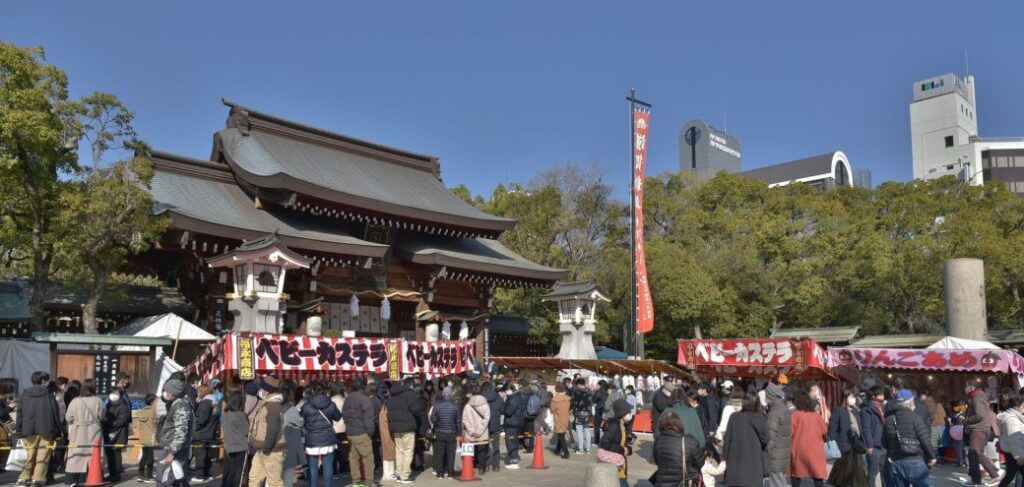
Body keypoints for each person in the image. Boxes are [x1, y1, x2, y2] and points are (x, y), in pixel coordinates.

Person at [15, 370, 61, 487]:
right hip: (46, 429)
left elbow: (19, 413)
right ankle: (38, 479)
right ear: (43, 380)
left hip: (28, 429)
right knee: (43, 455)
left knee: (29, 455)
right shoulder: (49, 394)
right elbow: (55, 412)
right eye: (47, 379)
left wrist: (19, 430)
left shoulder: (24, 393)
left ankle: (23, 478)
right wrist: (57, 431)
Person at [883, 389, 937, 487]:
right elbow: (925, 440)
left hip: (896, 462)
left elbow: (884, 442)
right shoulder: (916, 418)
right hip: (915, 461)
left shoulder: (889, 420)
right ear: (910, 402)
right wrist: (932, 457)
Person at [721, 392, 768, 487]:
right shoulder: (761, 418)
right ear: (757, 403)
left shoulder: (734, 417)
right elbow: (765, 440)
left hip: (735, 464)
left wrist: (723, 459)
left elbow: (727, 440)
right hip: (754, 464)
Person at [301, 382, 343, 487]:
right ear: (325, 391)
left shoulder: (306, 406)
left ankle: (313, 485)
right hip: (328, 438)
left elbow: (301, 420)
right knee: (328, 464)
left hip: (312, 439)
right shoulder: (331, 404)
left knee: (312, 465)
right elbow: (337, 417)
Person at [247, 375, 286, 487]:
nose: (260, 390)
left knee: (275, 482)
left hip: (271, 451)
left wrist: (266, 448)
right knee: (254, 478)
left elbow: (273, 430)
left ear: (267, 391)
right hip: (262, 449)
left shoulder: (273, 406)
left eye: (262, 388)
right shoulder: (267, 403)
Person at [64, 379, 104, 486]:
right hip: (94, 430)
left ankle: (73, 480)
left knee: (76, 455)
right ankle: (92, 478)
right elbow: (103, 416)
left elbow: (68, 417)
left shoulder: (75, 401)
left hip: (78, 431)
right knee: (93, 455)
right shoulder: (98, 401)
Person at [156, 378, 195, 487]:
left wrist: (172, 453)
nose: (165, 394)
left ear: (174, 393)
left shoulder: (180, 407)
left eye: (167, 392)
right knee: (176, 479)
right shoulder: (176, 403)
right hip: (172, 445)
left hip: (173, 448)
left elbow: (180, 432)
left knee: (165, 479)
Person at [827, 386, 868, 487]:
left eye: (854, 396)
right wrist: (835, 446)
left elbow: (860, 427)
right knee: (842, 479)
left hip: (856, 447)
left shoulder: (855, 411)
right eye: (851, 396)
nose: (853, 399)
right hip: (843, 450)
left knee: (857, 479)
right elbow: (832, 430)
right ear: (845, 397)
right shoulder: (838, 410)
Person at [651, 411, 703, 487]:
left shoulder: (658, 440)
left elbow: (657, 461)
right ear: (679, 424)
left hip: (661, 482)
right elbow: (700, 463)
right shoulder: (689, 441)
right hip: (683, 482)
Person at [966, 383, 1003, 486]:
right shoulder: (977, 396)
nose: (965, 389)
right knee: (974, 454)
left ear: (972, 387)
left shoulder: (977, 397)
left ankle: (995, 473)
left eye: (967, 386)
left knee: (975, 453)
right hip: (979, 429)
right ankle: (975, 479)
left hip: (979, 429)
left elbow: (980, 414)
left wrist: (967, 421)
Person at [343, 376, 377, 487]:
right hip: (362, 433)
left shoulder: (348, 398)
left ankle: (356, 481)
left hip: (351, 432)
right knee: (368, 458)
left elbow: (345, 416)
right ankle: (369, 482)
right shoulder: (365, 399)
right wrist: (370, 432)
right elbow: (369, 418)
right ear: (364, 385)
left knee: (353, 458)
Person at [387, 376, 422, 484]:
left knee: (399, 451)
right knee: (408, 451)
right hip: (407, 427)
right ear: (410, 385)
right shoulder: (410, 394)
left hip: (396, 428)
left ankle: (399, 473)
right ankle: (405, 475)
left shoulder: (392, 394)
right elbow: (416, 409)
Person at [599, 398, 632, 487]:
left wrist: (628, 449)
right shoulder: (614, 425)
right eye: (628, 412)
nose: (630, 414)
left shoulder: (622, 425)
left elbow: (621, 443)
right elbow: (605, 444)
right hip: (615, 469)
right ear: (622, 413)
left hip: (620, 467)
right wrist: (623, 449)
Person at [430, 387, 461, 479]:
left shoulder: (437, 405)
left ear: (443, 394)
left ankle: (440, 473)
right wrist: (458, 433)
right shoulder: (455, 406)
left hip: (439, 432)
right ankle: (450, 473)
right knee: (451, 453)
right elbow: (458, 421)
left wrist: (438, 422)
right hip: (451, 432)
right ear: (451, 394)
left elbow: (433, 418)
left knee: (440, 453)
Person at [995, 389, 1024, 487]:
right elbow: (1015, 440)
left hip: (1011, 451)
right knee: (1017, 474)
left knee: (1010, 474)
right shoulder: (1012, 419)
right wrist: (1020, 456)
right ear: (1017, 407)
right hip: (1015, 452)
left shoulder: (1011, 416)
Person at [764, 384, 792, 487]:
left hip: (776, 454)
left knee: (777, 483)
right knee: (781, 482)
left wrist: (767, 452)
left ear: (771, 396)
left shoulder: (774, 412)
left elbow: (770, 436)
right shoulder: (784, 408)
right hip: (783, 452)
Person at [221, 391, 250, 487]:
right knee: (239, 472)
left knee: (229, 471)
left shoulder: (224, 414)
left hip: (228, 446)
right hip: (240, 446)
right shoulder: (240, 415)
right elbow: (246, 431)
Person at [192, 384, 219, 482]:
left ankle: (200, 475)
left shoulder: (206, 403)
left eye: (199, 391)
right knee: (206, 454)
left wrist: (193, 426)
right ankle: (207, 473)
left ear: (202, 392)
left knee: (199, 454)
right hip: (209, 432)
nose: (197, 393)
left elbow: (201, 420)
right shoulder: (213, 401)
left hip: (201, 433)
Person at [862, 385, 888, 487]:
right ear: (873, 396)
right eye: (880, 395)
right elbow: (866, 429)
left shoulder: (882, 407)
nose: (883, 397)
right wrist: (869, 445)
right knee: (873, 473)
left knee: (885, 473)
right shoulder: (867, 410)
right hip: (874, 446)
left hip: (884, 445)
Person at [281, 381, 305, 487]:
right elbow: (300, 422)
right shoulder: (291, 409)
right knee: (287, 474)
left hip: (275, 441)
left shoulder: (274, 405)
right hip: (287, 442)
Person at [462, 384, 491, 475]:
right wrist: (480, 431)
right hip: (482, 433)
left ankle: (470, 467)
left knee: (470, 450)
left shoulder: (467, 405)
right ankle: (482, 468)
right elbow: (487, 419)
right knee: (482, 451)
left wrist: (471, 431)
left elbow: (464, 419)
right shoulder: (485, 405)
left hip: (470, 433)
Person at [503, 382, 526, 469]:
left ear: (509, 390)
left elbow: (508, 412)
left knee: (510, 443)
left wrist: (505, 403)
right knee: (514, 442)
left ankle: (514, 461)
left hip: (512, 423)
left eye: (506, 391)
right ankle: (514, 460)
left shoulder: (512, 399)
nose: (505, 393)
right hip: (517, 423)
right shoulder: (519, 397)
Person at [136, 394, 158, 483]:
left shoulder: (141, 411)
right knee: (150, 457)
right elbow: (156, 425)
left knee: (144, 456)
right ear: (152, 402)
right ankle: (149, 475)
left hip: (144, 437)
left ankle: (141, 474)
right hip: (151, 437)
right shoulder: (153, 412)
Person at [482, 382, 504, 472]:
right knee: (496, 446)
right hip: (496, 424)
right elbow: (503, 410)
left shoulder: (481, 398)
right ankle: (496, 465)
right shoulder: (498, 398)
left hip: (485, 425)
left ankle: (486, 465)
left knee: (484, 446)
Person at [329, 382, 349, 479]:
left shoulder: (331, 400)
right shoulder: (344, 399)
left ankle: (334, 472)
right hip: (344, 428)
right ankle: (344, 469)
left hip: (333, 428)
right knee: (342, 450)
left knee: (333, 451)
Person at [570, 378, 593, 454]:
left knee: (579, 431)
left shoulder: (576, 392)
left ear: (579, 384)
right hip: (587, 413)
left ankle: (581, 449)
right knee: (586, 430)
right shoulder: (589, 391)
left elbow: (573, 403)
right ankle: (588, 448)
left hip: (579, 413)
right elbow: (590, 403)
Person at [549, 383, 571, 459]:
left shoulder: (555, 400)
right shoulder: (568, 399)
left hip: (558, 419)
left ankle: (566, 452)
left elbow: (552, 410)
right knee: (561, 435)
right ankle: (557, 450)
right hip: (566, 418)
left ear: (556, 390)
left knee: (561, 436)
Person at [593, 380, 609, 447]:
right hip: (607, 411)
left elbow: (594, 400)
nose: (597, 386)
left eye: (598, 385)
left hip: (599, 410)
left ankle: (596, 441)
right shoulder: (608, 392)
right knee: (607, 426)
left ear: (600, 385)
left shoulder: (598, 392)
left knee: (597, 426)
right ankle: (607, 441)